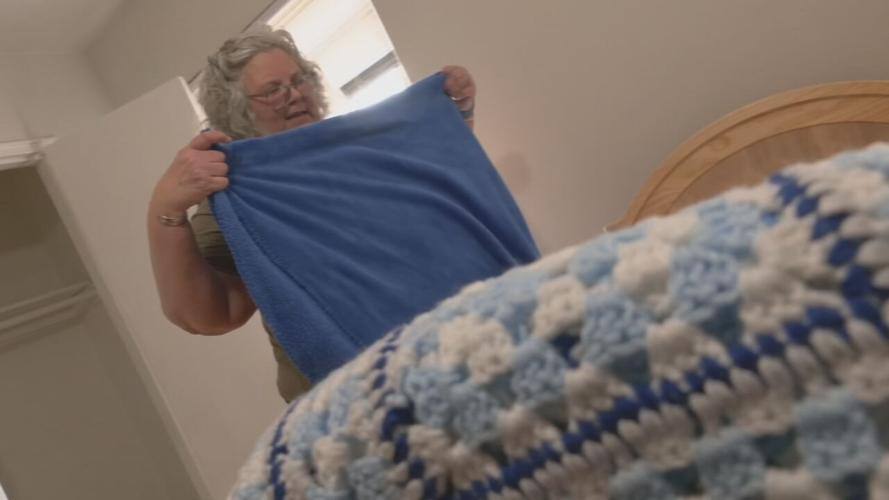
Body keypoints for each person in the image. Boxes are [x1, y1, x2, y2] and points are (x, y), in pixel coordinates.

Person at [147, 29, 478, 403]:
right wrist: (165, 207)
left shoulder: (363, 147)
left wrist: (453, 114)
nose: (296, 94)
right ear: (237, 110)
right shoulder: (237, 196)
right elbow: (210, 314)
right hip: (349, 402)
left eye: (299, 79)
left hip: (449, 354)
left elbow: (442, 194)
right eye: (273, 90)